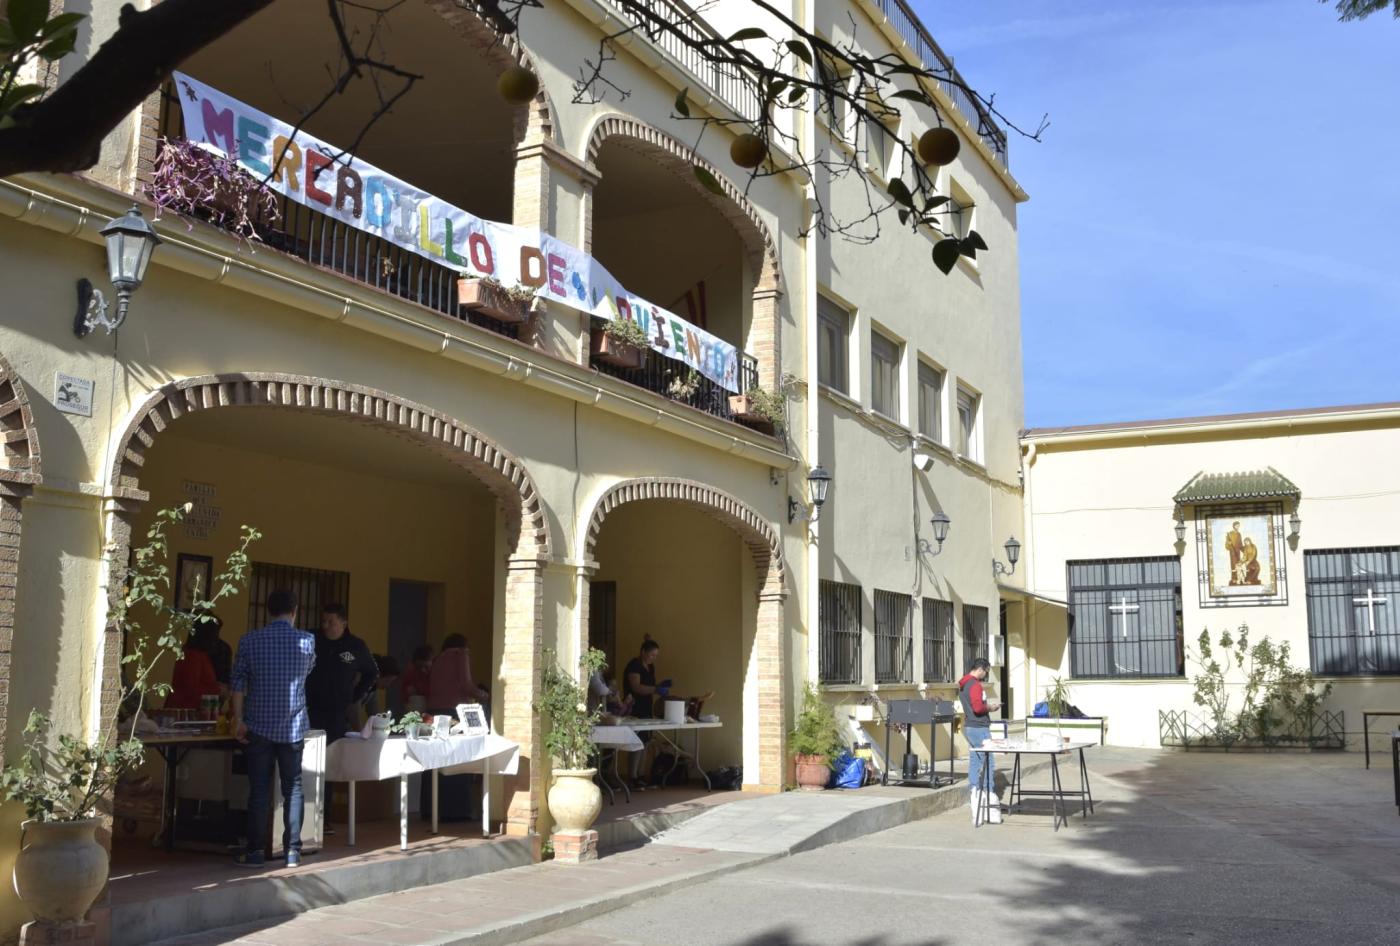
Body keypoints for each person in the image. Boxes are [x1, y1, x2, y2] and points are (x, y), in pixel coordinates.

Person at [230, 589, 316, 867]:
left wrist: (238, 718)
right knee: (293, 787)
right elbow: (307, 673)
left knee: (259, 790)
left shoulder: (249, 641)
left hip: (258, 725)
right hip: (293, 725)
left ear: (268, 611)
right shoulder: (307, 641)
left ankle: (255, 852)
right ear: (294, 611)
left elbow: (238, 683)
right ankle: (292, 851)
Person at [306, 604, 378, 832]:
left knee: (327, 764)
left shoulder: (355, 646)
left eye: (331, 622)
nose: (326, 626)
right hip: (308, 709)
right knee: (306, 763)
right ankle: (303, 816)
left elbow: (371, 673)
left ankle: (323, 817)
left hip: (336, 712)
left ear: (343, 623)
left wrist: (355, 697)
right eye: (324, 621)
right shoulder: (312, 639)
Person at [424, 634, 489, 821]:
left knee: (434, 757)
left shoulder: (437, 659)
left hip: (434, 711)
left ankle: (430, 808)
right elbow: (466, 684)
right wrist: (482, 694)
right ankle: (456, 810)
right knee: (457, 756)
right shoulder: (461, 654)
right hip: (454, 711)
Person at [623, 636, 671, 790]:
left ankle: (641, 775)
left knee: (645, 742)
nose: (653, 658)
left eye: (656, 656)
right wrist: (656, 689)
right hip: (634, 708)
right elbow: (636, 687)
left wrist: (659, 686)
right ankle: (632, 777)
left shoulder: (650, 667)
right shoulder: (634, 666)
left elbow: (649, 685)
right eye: (651, 655)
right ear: (643, 652)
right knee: (636, 742)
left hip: (647, 707)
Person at [958, 657, 1001, 824]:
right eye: (986, 672)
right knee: (988, 760)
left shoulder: (962, 684)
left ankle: (974, 791)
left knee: (975, 761)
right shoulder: (975, 684)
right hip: (979, 727)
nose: (985, 676)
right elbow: (977, 707)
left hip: (969, 726)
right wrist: (991, 707)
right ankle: (988, 792)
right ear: (981, 669)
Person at [166, 623, 220, 711]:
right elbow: (191, 690)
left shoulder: (192, 653)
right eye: (215, 634)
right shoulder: (193, 655)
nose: (216, 639)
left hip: (188, 711)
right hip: (187, 713)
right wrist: (217, 689)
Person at [400, 643, 435, 714]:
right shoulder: (410, 673)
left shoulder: (436, 674)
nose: (422, 670)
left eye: (426, 667)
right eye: (419, 667)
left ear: (432, 662)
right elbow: (404, 694)